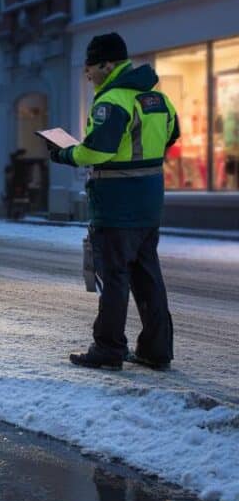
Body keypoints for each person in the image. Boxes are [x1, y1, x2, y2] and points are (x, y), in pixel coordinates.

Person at [49, 32, 178, 371]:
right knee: (148, 276)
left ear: (107, 64)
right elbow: (172, 134)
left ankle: (108, 349)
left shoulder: (112, 101)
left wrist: (64, 153)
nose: (87, 74)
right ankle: (157, 349)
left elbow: (98, 150)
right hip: (150, 203)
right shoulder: (158, 99)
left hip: (116, 206)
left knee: (114, 277)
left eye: (90, 67)